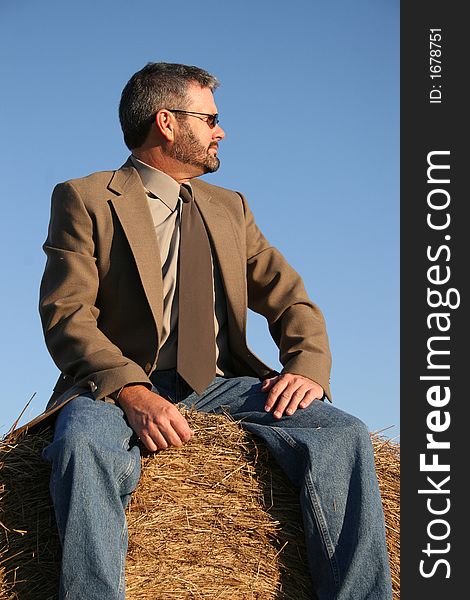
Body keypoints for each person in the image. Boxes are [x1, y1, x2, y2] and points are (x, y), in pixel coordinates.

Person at [38, 62, 392, 600]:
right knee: (82, 445)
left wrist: (306, 369)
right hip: (119, 386)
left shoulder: (231, 208)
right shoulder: (85, 198)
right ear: (166, 122)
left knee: (341, 434)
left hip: (224, 383)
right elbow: (68, 313)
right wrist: (131, 391)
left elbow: (290, 297)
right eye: (210, 118)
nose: (220, 131)